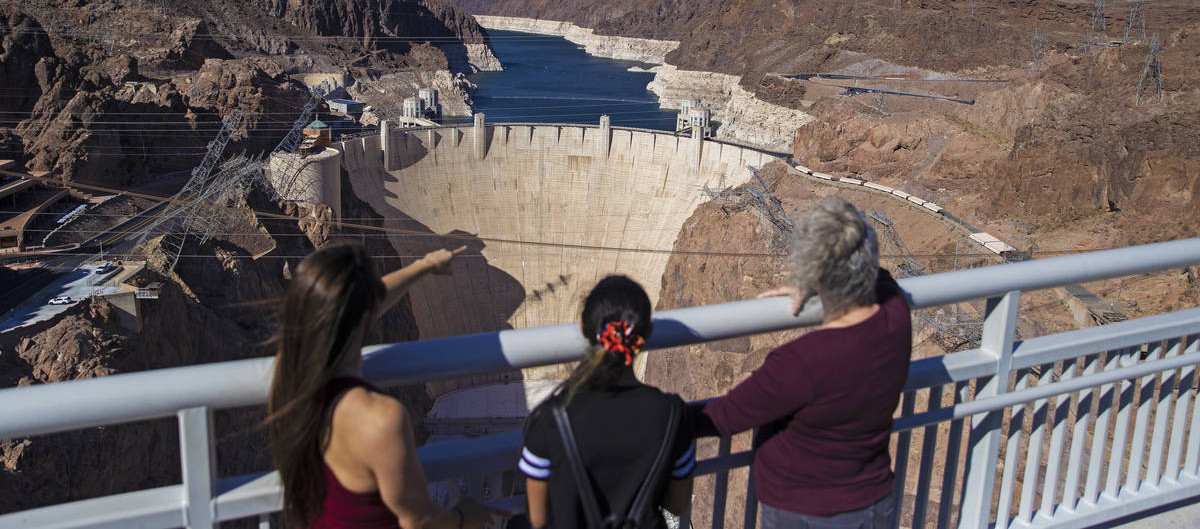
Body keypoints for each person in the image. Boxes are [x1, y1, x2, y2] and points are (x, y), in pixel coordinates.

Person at [692, 197, 912, 529]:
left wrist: (653, 413)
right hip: (874, 503)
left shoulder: (803, 362)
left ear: (816, 272)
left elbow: (722, 418)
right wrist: (820, 277)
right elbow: (882, 279)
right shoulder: (896, 319)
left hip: (803, 512)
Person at [267, 242, 508, 529]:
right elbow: (419, 521)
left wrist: (424, 266)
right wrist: (464, 517)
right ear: (365, 316)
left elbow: (364, 303)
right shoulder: (378, 419)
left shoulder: (288, 377)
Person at [520, 275, 695, 529]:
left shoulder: (550, 418)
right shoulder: (672, 414)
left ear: (583, 329)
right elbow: (677, 505)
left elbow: (537, 519)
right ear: (647, 334)